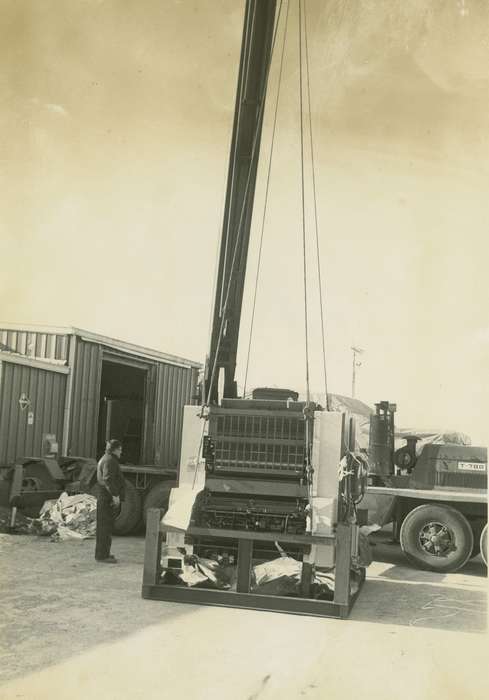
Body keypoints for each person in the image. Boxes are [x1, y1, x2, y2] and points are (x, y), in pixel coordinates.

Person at [95, 439, 125, 563]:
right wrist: (115, 495)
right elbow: (108, 479)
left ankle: (104, 553)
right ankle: (102, 556)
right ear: (116, 449)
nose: (121, 452)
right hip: (106, 498)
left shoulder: (107, 458)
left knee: (105, 527)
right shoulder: (110, 461)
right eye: (120, 449)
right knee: (104, 528)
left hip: (105, 498)